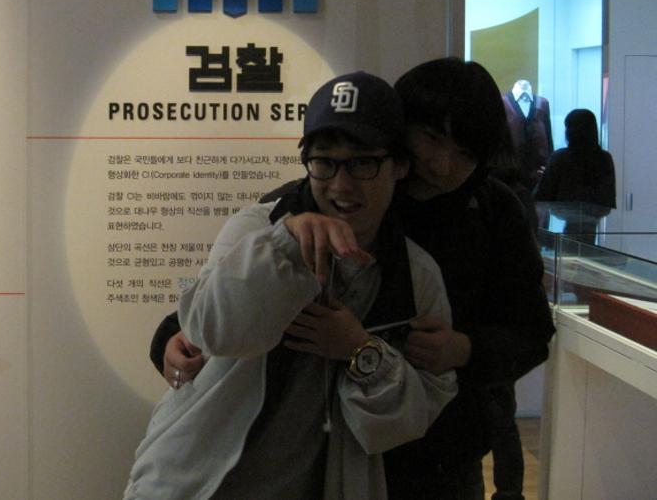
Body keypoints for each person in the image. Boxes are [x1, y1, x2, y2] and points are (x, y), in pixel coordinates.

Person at [154, 58, 556, 500]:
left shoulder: (491, 216)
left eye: (465, 154)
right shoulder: (306, 204)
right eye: (431, 138)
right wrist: (175, 336)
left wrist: (464, 349)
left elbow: (531, 332)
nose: (442, 165)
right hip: (328, 450)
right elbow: (230, 282)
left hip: (440, 449)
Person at [125, 72, 457, 500]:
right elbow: (211, 328)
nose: (341, 184)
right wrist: (283, 246)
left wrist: (358, 350)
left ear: (399, 166)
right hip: (194, 483)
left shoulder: (416, 275)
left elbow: (409, 419)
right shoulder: (257, 227)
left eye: (362, 163)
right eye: (324, 162)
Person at [534, 108, 616, 236]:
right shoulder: (604, 158)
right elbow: (608, 199)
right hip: (593, 222)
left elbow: (542, 195)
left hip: (562, 222)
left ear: (569, 131)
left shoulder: (559, 157)